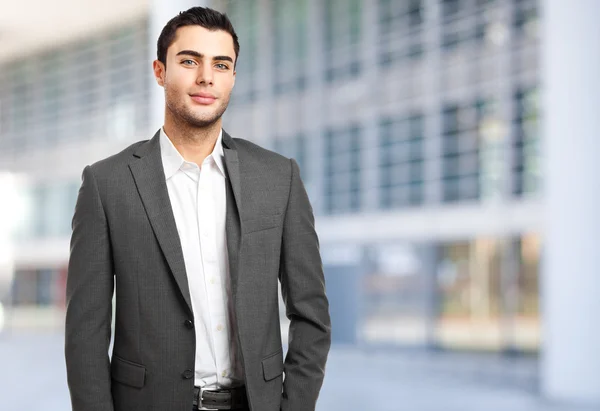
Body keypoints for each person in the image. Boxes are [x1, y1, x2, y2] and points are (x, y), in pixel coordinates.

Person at [64, 6, 331, 411]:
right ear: (160, 71)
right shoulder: (107, 185)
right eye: (189, 61)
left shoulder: (279, 178)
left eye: (221, 65)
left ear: (233, 78)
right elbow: (85, 333)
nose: (206, 76)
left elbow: (311, 314)